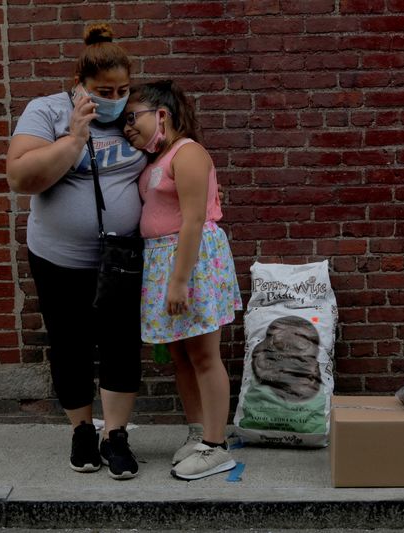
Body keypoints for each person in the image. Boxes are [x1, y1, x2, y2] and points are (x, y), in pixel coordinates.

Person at [6, 24, 145, 480]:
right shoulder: (45, 112)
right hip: (58, 257)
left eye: (123, 89)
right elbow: (22, 176)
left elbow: (175, 153)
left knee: (122, 343)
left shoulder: (137, 114)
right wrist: (74, 139)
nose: (116, 97)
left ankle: (116, 435)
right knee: (70, 345)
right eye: (104, 90)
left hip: (121, 257)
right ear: (79, 85)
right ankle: (83, 430)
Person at [123, 80, 242, 480]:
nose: (127, 127)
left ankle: (216, 446)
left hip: (189, 263)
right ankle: (197, 434)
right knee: (182, 358)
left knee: (205, 356)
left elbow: (193, 220)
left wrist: (179, 282)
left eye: (132, 117)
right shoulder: (158, 158)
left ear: (162, 115)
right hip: (165, 262)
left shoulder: (188, 153)